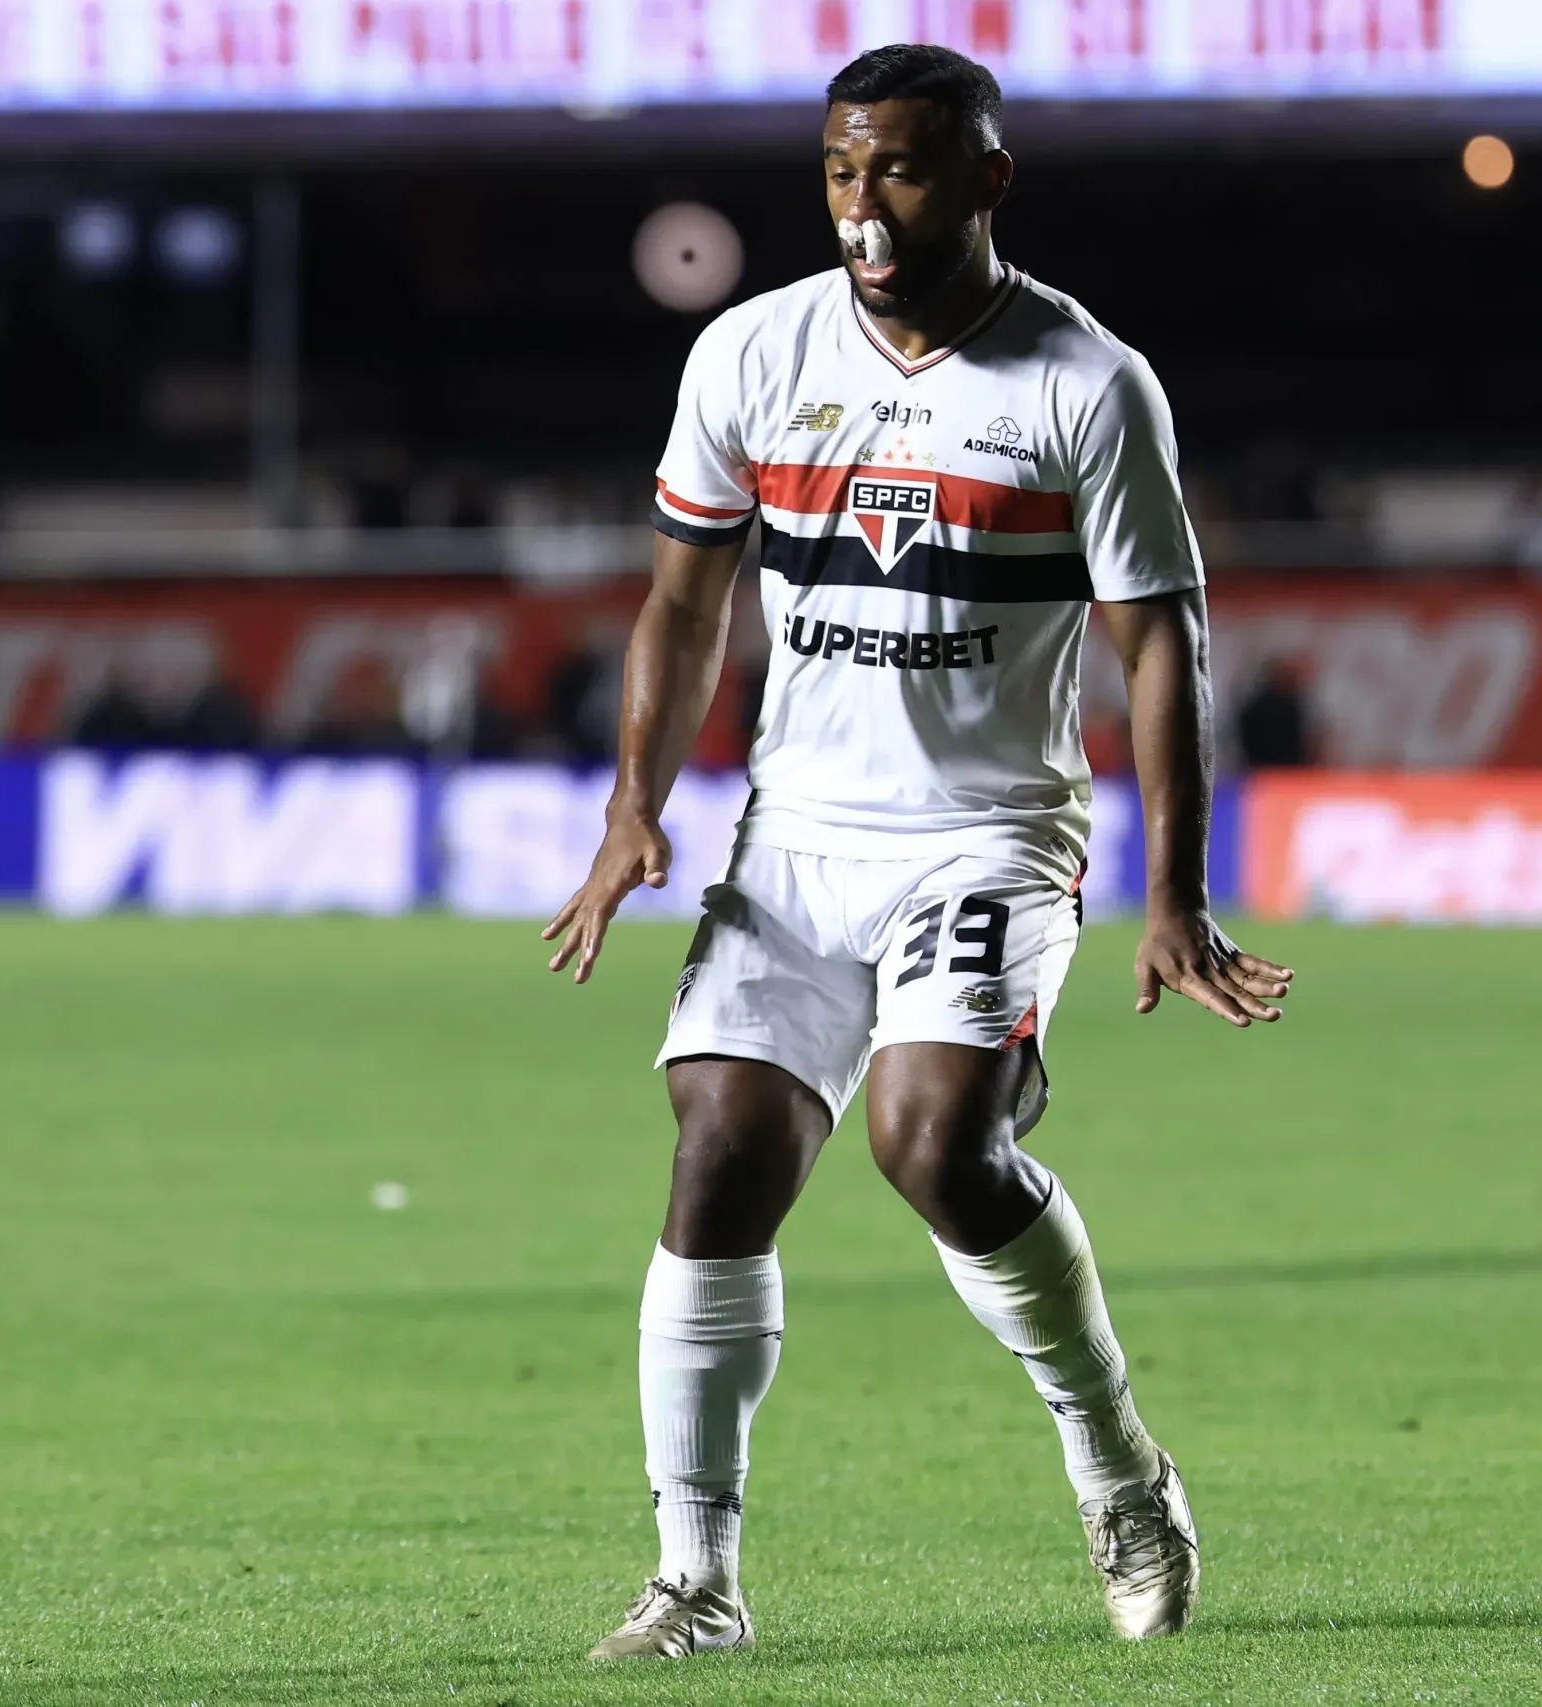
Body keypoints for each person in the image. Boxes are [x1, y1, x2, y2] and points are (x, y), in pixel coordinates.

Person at [541, 44, 1295, 1661]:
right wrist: (631, 808)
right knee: (716, 1154)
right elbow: (683, 599)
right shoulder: (753, 352)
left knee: (935, 1141)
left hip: (990, 837)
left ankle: (1118, 1464)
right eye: (839, 171)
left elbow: (1162, 644)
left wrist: (1177, 891)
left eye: (897, 170)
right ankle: (700, 1579)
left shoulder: (1086, 385)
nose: (863, 208)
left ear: (985, 180)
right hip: (798, 834)